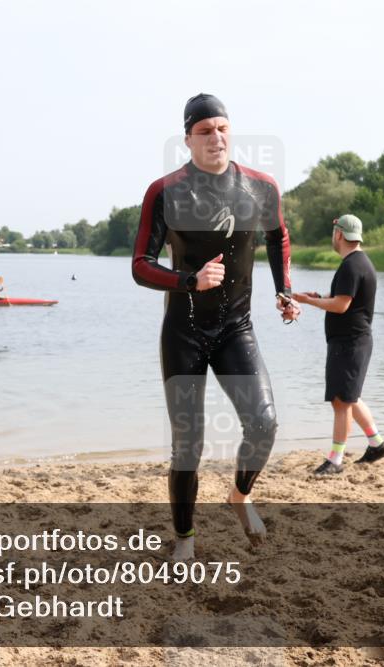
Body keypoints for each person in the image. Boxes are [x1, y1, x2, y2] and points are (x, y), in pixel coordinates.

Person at [132, 93, 300, 560]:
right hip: (183, 331)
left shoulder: (260, 187)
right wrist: (189, 280)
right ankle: (185, 540)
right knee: (188, 445)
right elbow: (141, 265)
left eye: (222, 128)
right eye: (204, 131)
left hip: (235, 328)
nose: (216, 138)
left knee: (264, 424)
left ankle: (240, 496)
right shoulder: (165, 191)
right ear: (188, 139)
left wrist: (284, 290)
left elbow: (278, 236)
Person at [293, 214, 384, 475]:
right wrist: (319, 296)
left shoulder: (351, 266)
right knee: (349, 396)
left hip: (349, 343)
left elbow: (340, 305)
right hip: (353, 341)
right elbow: (344, 298)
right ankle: (377, 444)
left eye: (333, 233)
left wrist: (308, 301)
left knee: (341, 401)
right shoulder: (359, 262)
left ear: (339, 234)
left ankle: (335, 460)